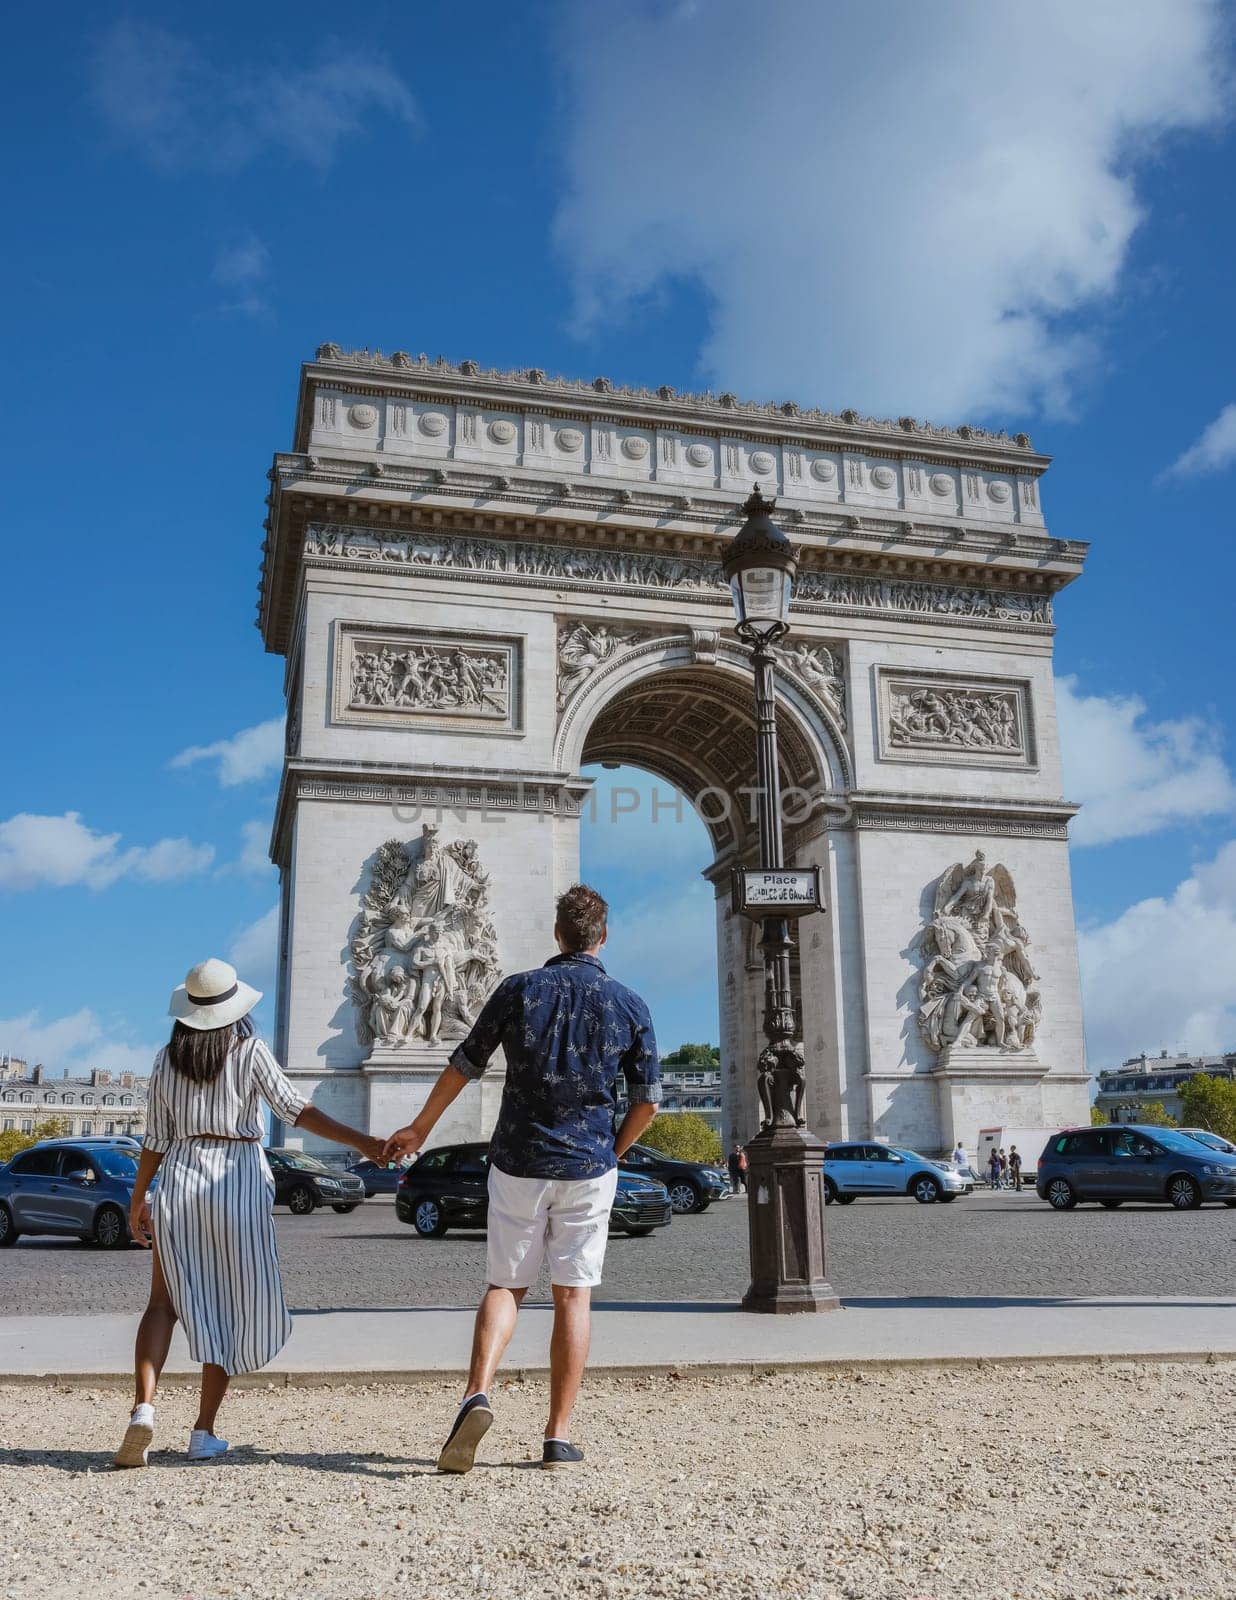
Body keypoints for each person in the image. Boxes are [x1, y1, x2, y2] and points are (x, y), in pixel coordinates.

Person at [383, 883, 660, 1473]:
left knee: (506, 1285)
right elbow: (648, 1102)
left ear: (556, 933)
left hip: (517, 1160)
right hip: (588, 1165)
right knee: (573, 1296)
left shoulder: (518, 990)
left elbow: (464, 1062)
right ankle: (557, 1435)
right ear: (602, 937)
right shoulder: (631, 1004)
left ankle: (476, 1393)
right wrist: (612, 1150)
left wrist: (419, 1128)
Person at [114, 959, 384, 1470]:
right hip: (235, 1179)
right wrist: (363, 1141)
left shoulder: (163, 1061)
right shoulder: (250, 1051)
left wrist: (137, 1198)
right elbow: (295, 1109)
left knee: (161, 1303)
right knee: (230, 1307)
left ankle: (142, 1409)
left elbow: (154, 1140)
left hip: (180, 1178)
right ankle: (203, 1431)